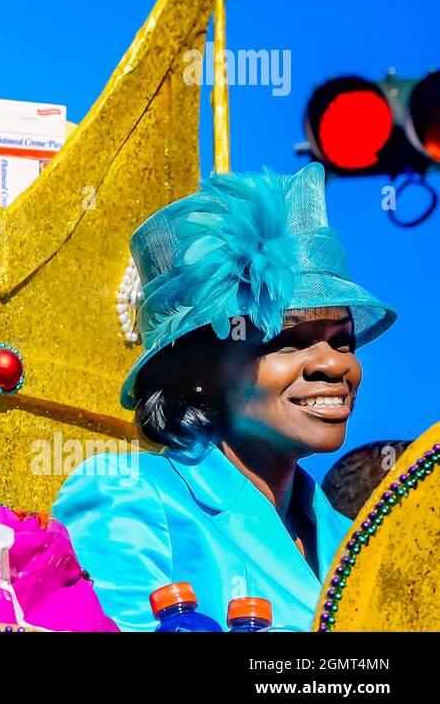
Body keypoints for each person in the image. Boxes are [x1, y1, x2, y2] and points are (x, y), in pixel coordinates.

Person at [50, 164, 395, 631]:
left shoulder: (358, 543)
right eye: (286, 341)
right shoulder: (130, 495)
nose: (334, 365)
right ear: (197, 376)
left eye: (342, 341)